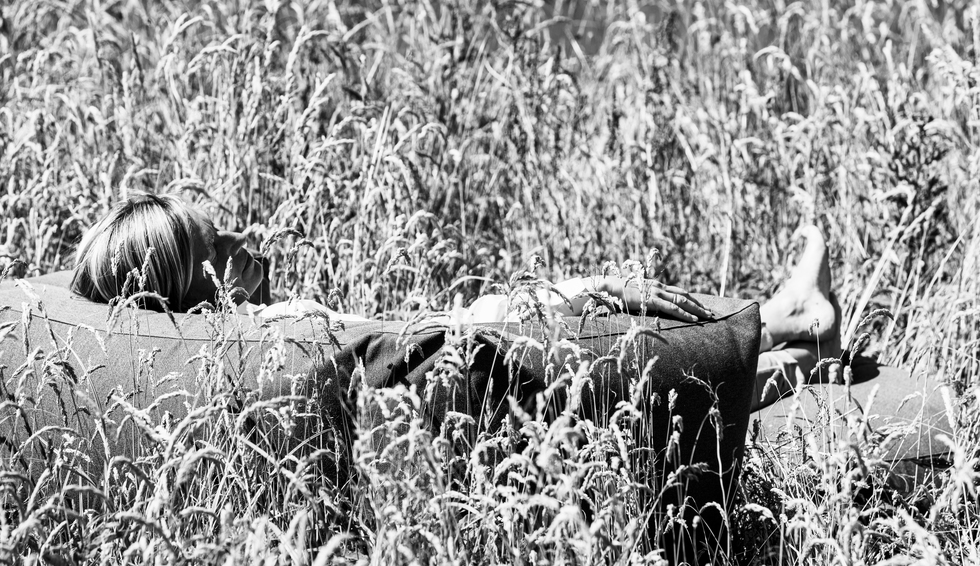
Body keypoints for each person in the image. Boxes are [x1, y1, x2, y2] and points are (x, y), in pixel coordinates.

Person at [71, 193, 840, 408]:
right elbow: (434, 343)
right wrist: (571, 291)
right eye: (222, 248)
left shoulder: (222, 370)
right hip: (476, 389)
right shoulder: (277, 336)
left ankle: (795, 339)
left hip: (450, 388)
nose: (247, 239)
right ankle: (792, 320)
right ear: (190, 298)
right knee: (573, 330)